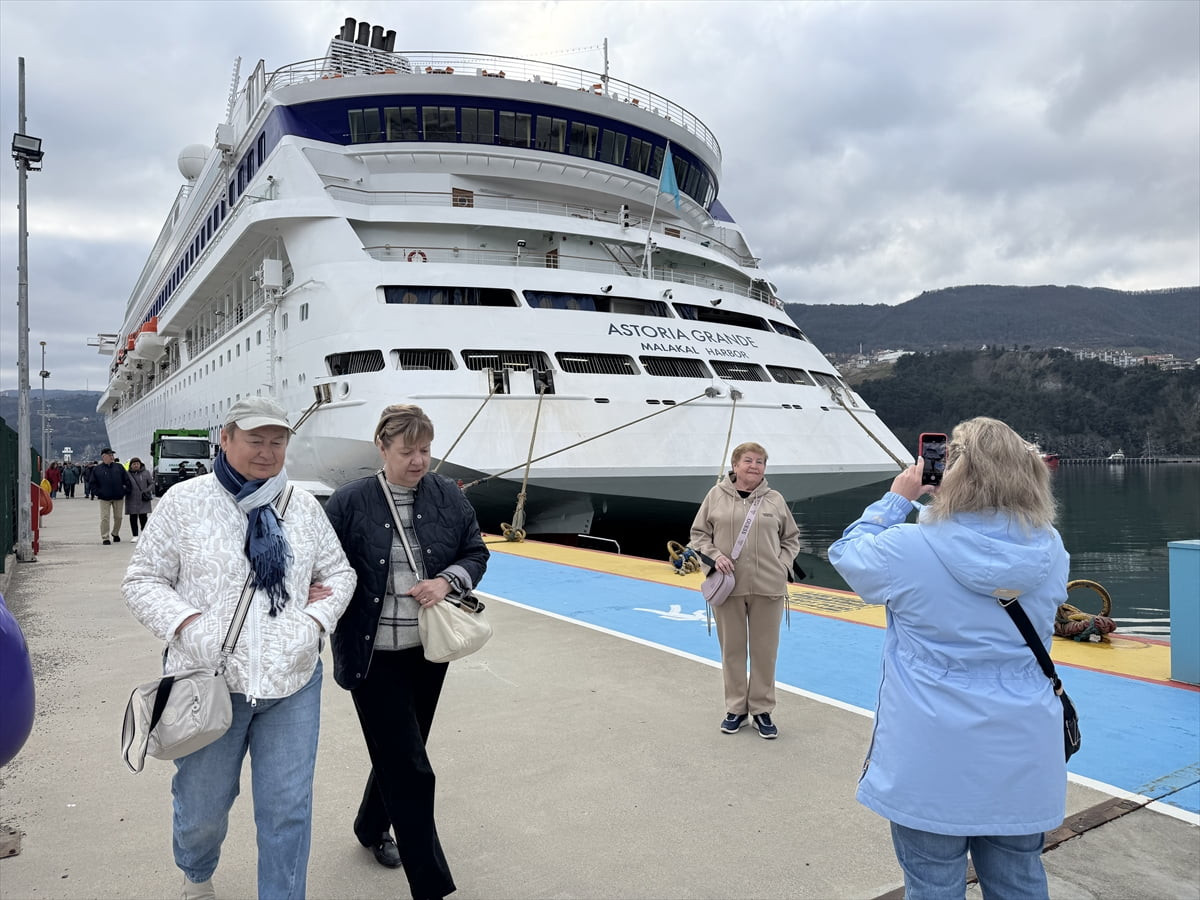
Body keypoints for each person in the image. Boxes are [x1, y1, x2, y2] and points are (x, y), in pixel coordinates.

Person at [123, 397, 356, 900]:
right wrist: (190, 626)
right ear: (225, 439)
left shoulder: (304, 506)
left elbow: (338, 573)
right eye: (255, 439)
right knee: (203, 807)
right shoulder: (185, 502)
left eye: (278, 441)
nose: (267, 452)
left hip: (292, 680)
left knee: (287, 809)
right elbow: (142, 580)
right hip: (207, 683)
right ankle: (197, 874)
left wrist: (311, 622)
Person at [828, 417, 1069, 900]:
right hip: (1023, 750)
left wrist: (899, 497)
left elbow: (847, 553)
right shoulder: (1051, 549)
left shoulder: (906, 548)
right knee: (1020, 881)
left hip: (929, 753)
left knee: (933, 884)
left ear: (949, 474)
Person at [324, 404, 489, 900]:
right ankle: (432, 886)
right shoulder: (349, 501)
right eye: (407, 451)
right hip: (372, 655)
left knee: (403, 751)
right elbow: (322, 566)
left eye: (425, 450)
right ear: (382, 446)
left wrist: (446, 581)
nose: (419, 461)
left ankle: (370, 825)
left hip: (427, 649)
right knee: (412, 768)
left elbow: (475, 551)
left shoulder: (446, 494)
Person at [689, 441, 800, 739]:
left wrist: (782, 566)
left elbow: (791, 538)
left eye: (760, 461)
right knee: (733, 651)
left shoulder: (775, 500)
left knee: (765, 652)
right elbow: (698, 536)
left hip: (769, 587)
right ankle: (736, 708)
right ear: (735, 465)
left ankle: (762, 709)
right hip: (729, 587)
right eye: (748, 460)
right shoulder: (715, 496)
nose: (754, 466)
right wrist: (715, 557)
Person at [91, 448, 131, 544]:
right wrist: (98, 493)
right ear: (103, 456)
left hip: (118, 496)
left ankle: (115, 533)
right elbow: (92, 483)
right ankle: (105, 537)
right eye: (110, 455)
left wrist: (125, 490)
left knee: (118, 517)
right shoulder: (97, 469)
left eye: (112, 455)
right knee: (105, 518)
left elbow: (126, 480)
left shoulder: (119, 467)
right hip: (104, 498)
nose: (112, 457)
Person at [125, 457, 154, 544]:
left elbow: (151, 483)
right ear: (131, 465)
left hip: (143, 499)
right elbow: (124, 484)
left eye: (137, 463)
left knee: (143, 517)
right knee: (133, 517)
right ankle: (135, 535)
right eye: (134, 464)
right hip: (131, 498)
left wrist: (147, 490)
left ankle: (144, 534)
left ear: (140, 464)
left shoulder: (146, 473)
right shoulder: (127, 474)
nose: (136, 465)